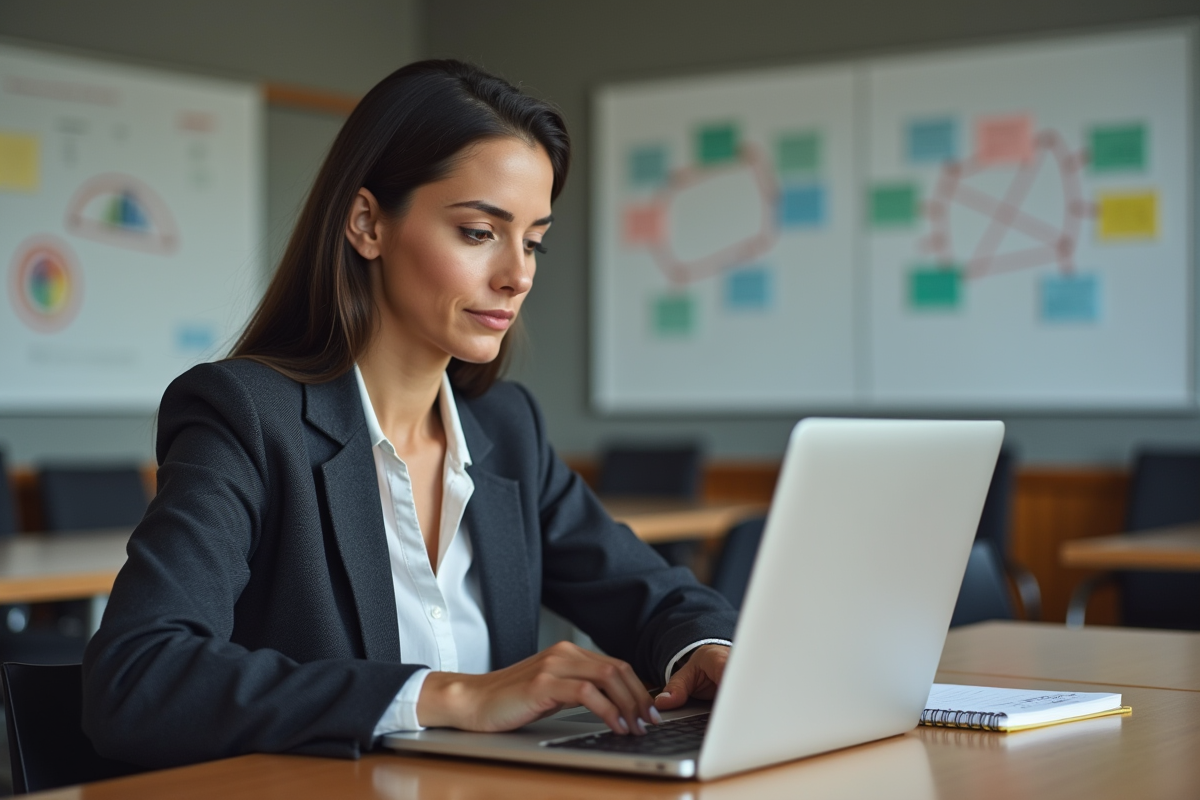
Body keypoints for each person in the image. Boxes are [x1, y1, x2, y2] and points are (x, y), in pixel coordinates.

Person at [81, 60, 736, 769]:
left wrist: (707, 652)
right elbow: (136, 678)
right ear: (367, 224)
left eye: (534, 239)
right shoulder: (246, 416)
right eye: (480, 232)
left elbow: (651, 593)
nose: (518, 274)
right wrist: (450, 697)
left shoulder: (506, 429)